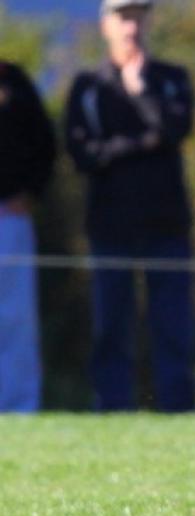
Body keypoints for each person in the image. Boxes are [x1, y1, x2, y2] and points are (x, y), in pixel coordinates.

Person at [65, 0, 195, 412]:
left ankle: (177, 411)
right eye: (123, 17)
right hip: (110, 227)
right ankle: (112, 410)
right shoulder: (88, 86)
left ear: (148, 21)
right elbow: (83, 154)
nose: (131, 26)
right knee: (111, 328)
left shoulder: (172, 79)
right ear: (106, 25)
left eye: (138, 16)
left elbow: (176, 129)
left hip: (168, 225)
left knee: (173, 328)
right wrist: (143, 143)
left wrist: (142, 93)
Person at [0, 61, 56, 414]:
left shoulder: (13, 79)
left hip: (9, 218)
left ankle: (19, 407)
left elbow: (44, 141)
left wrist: (31, 190)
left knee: (15, 317)